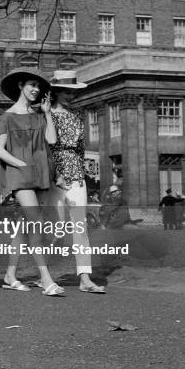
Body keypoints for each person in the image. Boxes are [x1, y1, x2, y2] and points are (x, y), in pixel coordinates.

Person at [0, 67, 65, 296]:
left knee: (24, 228)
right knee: (35, 222)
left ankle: (9, 274)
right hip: (19, 173)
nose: (35, 90)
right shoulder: (7, 117)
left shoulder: (40, 115)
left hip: (41, 173)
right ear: (20, 86)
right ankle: (46, 279)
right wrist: (20, 164)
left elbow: (52, 140)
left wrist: (46, 114)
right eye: (31, 85)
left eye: (38, 86)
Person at [46, 70, 105, 293]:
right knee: (56, 229)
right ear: (56, 92)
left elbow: (79, 150)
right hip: (54, 178)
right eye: (66, 91)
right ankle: (47, 276)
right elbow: (46, 148)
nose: (70, 95)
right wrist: (54, 175)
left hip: (76, 177)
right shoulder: (45, 115)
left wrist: (80, 175)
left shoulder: (77, 116)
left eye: (72, 92)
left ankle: (85, 278)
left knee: (80, 229)